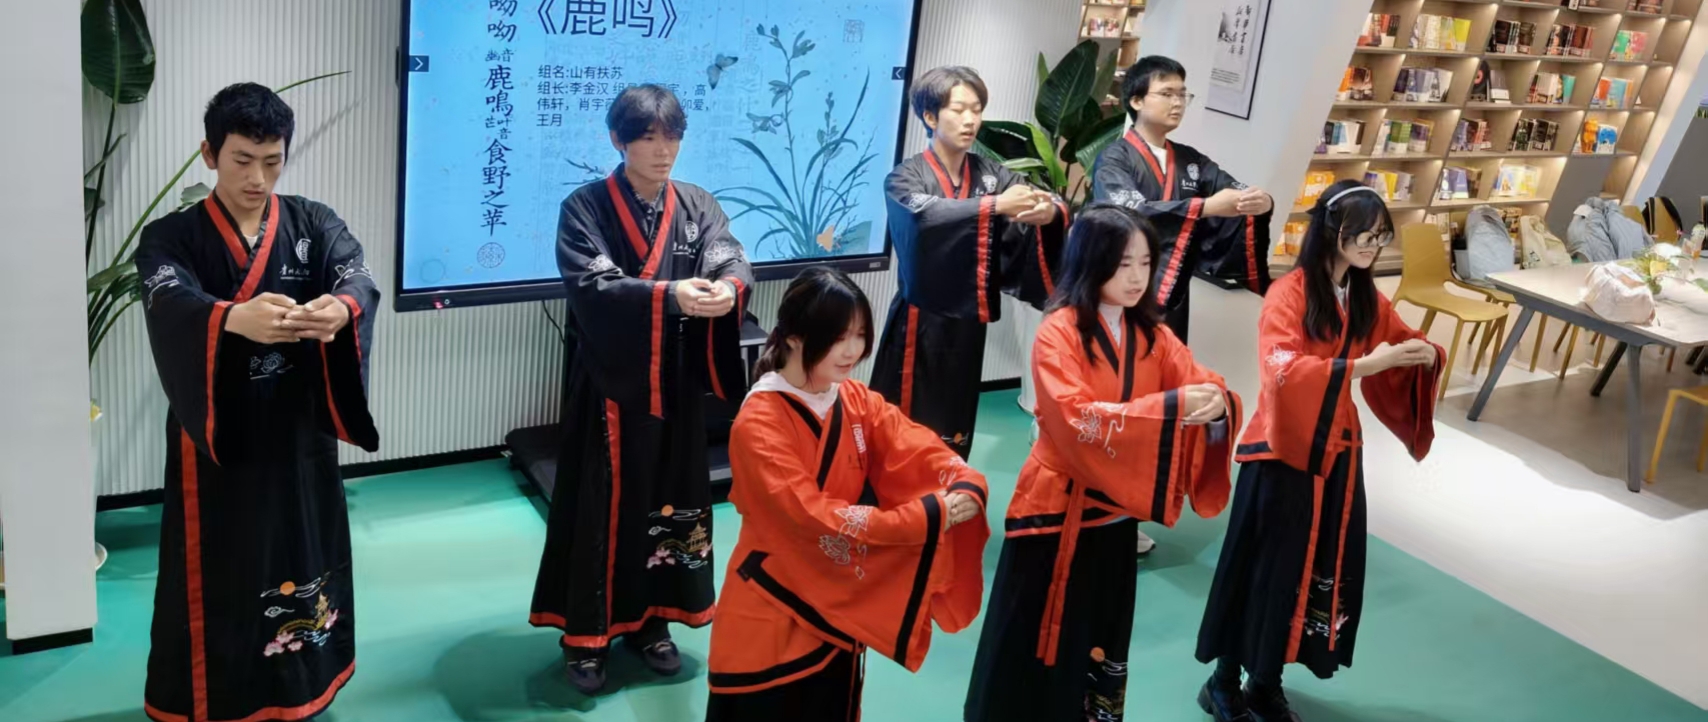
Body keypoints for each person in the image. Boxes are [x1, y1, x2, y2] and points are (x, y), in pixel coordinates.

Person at [135, 82, 379, 722]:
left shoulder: (312, 222)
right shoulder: (171, 236)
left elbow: (356, 275)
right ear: (209, 154)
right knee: (220, 565)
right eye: (242, 160)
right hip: (219, 436)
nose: (258, 178)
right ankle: (217, 697)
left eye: (273, 162)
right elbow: (169, 299)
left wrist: (340, 308)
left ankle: (301, 687)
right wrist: (230, 318)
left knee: (303, 550)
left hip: (297, 430)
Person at [964, 204, 1242, 722]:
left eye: (1145, 263)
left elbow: (1199, 381)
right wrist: (1173, 407)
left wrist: (1218, 403)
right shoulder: (1058, 332)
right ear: (1091, 263)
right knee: (1033, 633)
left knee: (1100, 634)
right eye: (1122, 264)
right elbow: (1074, 418)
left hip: (1116, 515)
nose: (1136, 277)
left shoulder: (1153, 335)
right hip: (1055, 511)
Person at [529, 84, 755, 693]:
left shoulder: (698, 203)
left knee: (669, 499)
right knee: (601, 506)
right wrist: (672, 295)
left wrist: (728, 288)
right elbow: (594, 286)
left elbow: (730, 255)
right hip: (612, 385)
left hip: (676, 384)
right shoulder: (584, 207)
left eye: (672, 137)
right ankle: (586, 635)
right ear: (618, 140)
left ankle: (654, 620)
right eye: (648, 138)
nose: (663, 150)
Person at [1194, 182, 1443, 722]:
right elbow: (1281, 371)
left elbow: (1400, 335)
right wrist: (1363, 366)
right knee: (1264, 569)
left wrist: (1423, 351)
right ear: (1333, 232)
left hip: (1337, 454)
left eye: (1380, 237)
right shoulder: (1289, 293)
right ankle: (1223, 682)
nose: (1372, 246)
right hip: (1281, 451)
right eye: (1364, 235)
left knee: (1310, 571)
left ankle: (1267, 682)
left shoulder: (1364, 296)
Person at [707, 267, 989, 720]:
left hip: (839, 591)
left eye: (860, 335)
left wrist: (961, 479)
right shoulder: (758, 422)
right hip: (773, 597)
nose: (853, 350)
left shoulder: (854, 398)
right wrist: (925, 517)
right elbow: (808, 515)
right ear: (794, 337)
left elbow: (909, 444)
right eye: (838, 337)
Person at [872, 65, 1069, 459]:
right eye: (959, 109)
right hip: (920, 323)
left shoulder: (990, 173)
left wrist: (1049, 212)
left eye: (976, 110)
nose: (970, 120)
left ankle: (952, 484)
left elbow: (1047, 199)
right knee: (905, 421)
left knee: (956, 417)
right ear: (930, 117)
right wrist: (995, 206)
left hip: (969, 320)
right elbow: (924, 217)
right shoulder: (905, 177)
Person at [1092, 55, 1277, 345]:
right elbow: (1128, 212)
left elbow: (1233, 189)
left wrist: (1260, 201)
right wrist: (1204, 207)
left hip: (1174, 290)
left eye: (1182, 95)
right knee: (1121, 361)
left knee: (1169, 361)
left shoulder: (1191, 160)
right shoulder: (1114, 158)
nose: (1177, 103)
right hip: (1121, 285)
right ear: (1137, 101)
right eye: (1167, 94)